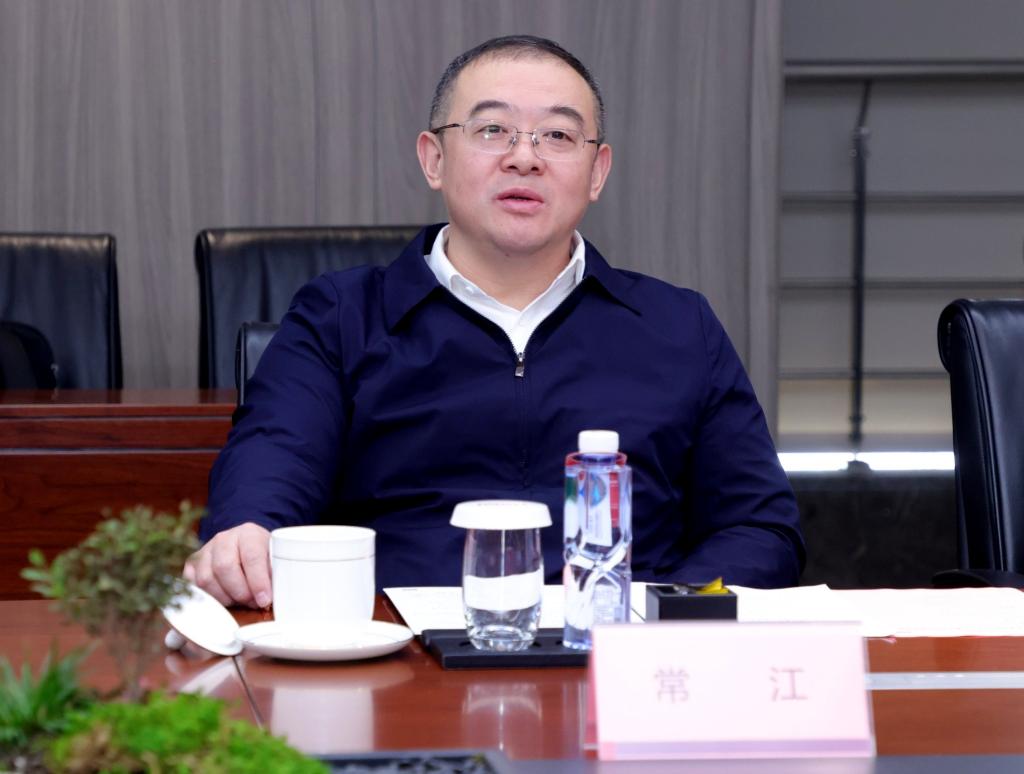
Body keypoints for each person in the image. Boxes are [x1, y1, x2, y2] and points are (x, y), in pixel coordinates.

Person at [185, 35, 805, 609]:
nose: (524, 158)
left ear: (597, 171)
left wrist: (666, 618)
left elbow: (759, 527)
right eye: (492, 130)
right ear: (433, 158)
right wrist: (247, 533)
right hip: (399, 653)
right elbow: (273, 462)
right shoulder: (340, 316)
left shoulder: (678, 326)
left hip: (622, 653)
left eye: (557, 136)